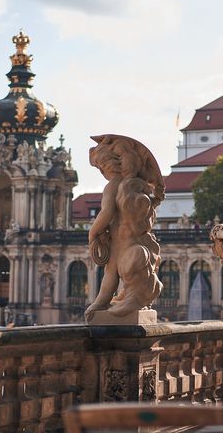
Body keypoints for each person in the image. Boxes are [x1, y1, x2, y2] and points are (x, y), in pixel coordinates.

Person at [85, 134, 165, 320]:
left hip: (122, 242)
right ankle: (114, 300)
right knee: (118, 270)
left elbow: (106, 213)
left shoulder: (112, 186)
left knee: (112, 271)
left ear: (105, 166)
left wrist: (93, 232)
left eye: (99, 167)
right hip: (134, 240)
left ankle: (110, 301)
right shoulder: (136, 187)